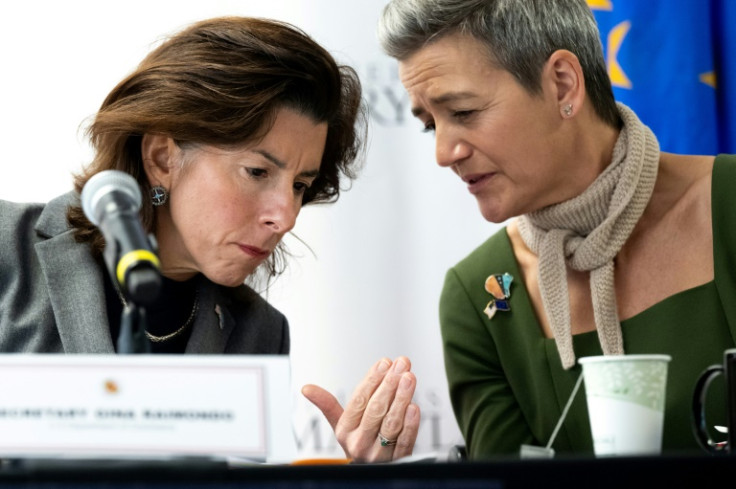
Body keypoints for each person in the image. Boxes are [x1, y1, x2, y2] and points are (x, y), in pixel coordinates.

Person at [0, 16, 418, 463]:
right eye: (257, 172)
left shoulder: (262, 333)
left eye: (299, 185)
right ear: (162, 158)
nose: (286, 216)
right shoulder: (8, 250)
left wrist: (368, 478)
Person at [378, 0, 734, 458]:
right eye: (430, 125)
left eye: (463, 112)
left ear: (563, 84)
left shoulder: (729, 204)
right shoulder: (477, 293)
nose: (444, 152)